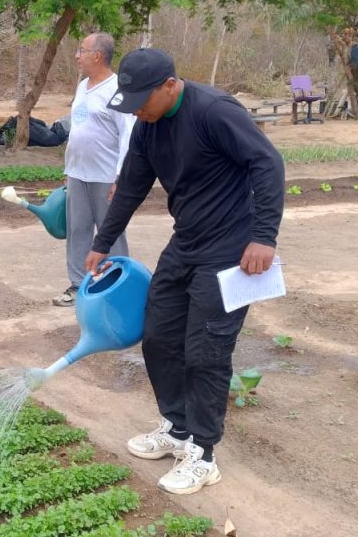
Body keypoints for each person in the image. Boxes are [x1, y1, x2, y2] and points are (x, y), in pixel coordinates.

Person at [84, 48, 285, 495]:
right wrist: (102, 243)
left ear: (169, 86)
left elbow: (267, 164)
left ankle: (204, 454)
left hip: (233, 249)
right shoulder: (147, 126)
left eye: (141, 99)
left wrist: (264, 237)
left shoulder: (214, 111)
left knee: (206, 351)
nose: (136, 109)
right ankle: (177, 429)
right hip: (187, 241)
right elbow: (132, 185)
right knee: (157, 335)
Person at [53, 32, 135, 306]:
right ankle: (78, 286)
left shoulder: (117, 91)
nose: (77, 55)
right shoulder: (83, 86)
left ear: (98, 55)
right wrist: (69, 167)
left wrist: (120, 176)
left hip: (105, 176)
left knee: (111, 233)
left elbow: (127, 136)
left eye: (82, 50)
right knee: (77, 231)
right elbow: (79, 127)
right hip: (77, 173)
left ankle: (119, 289)